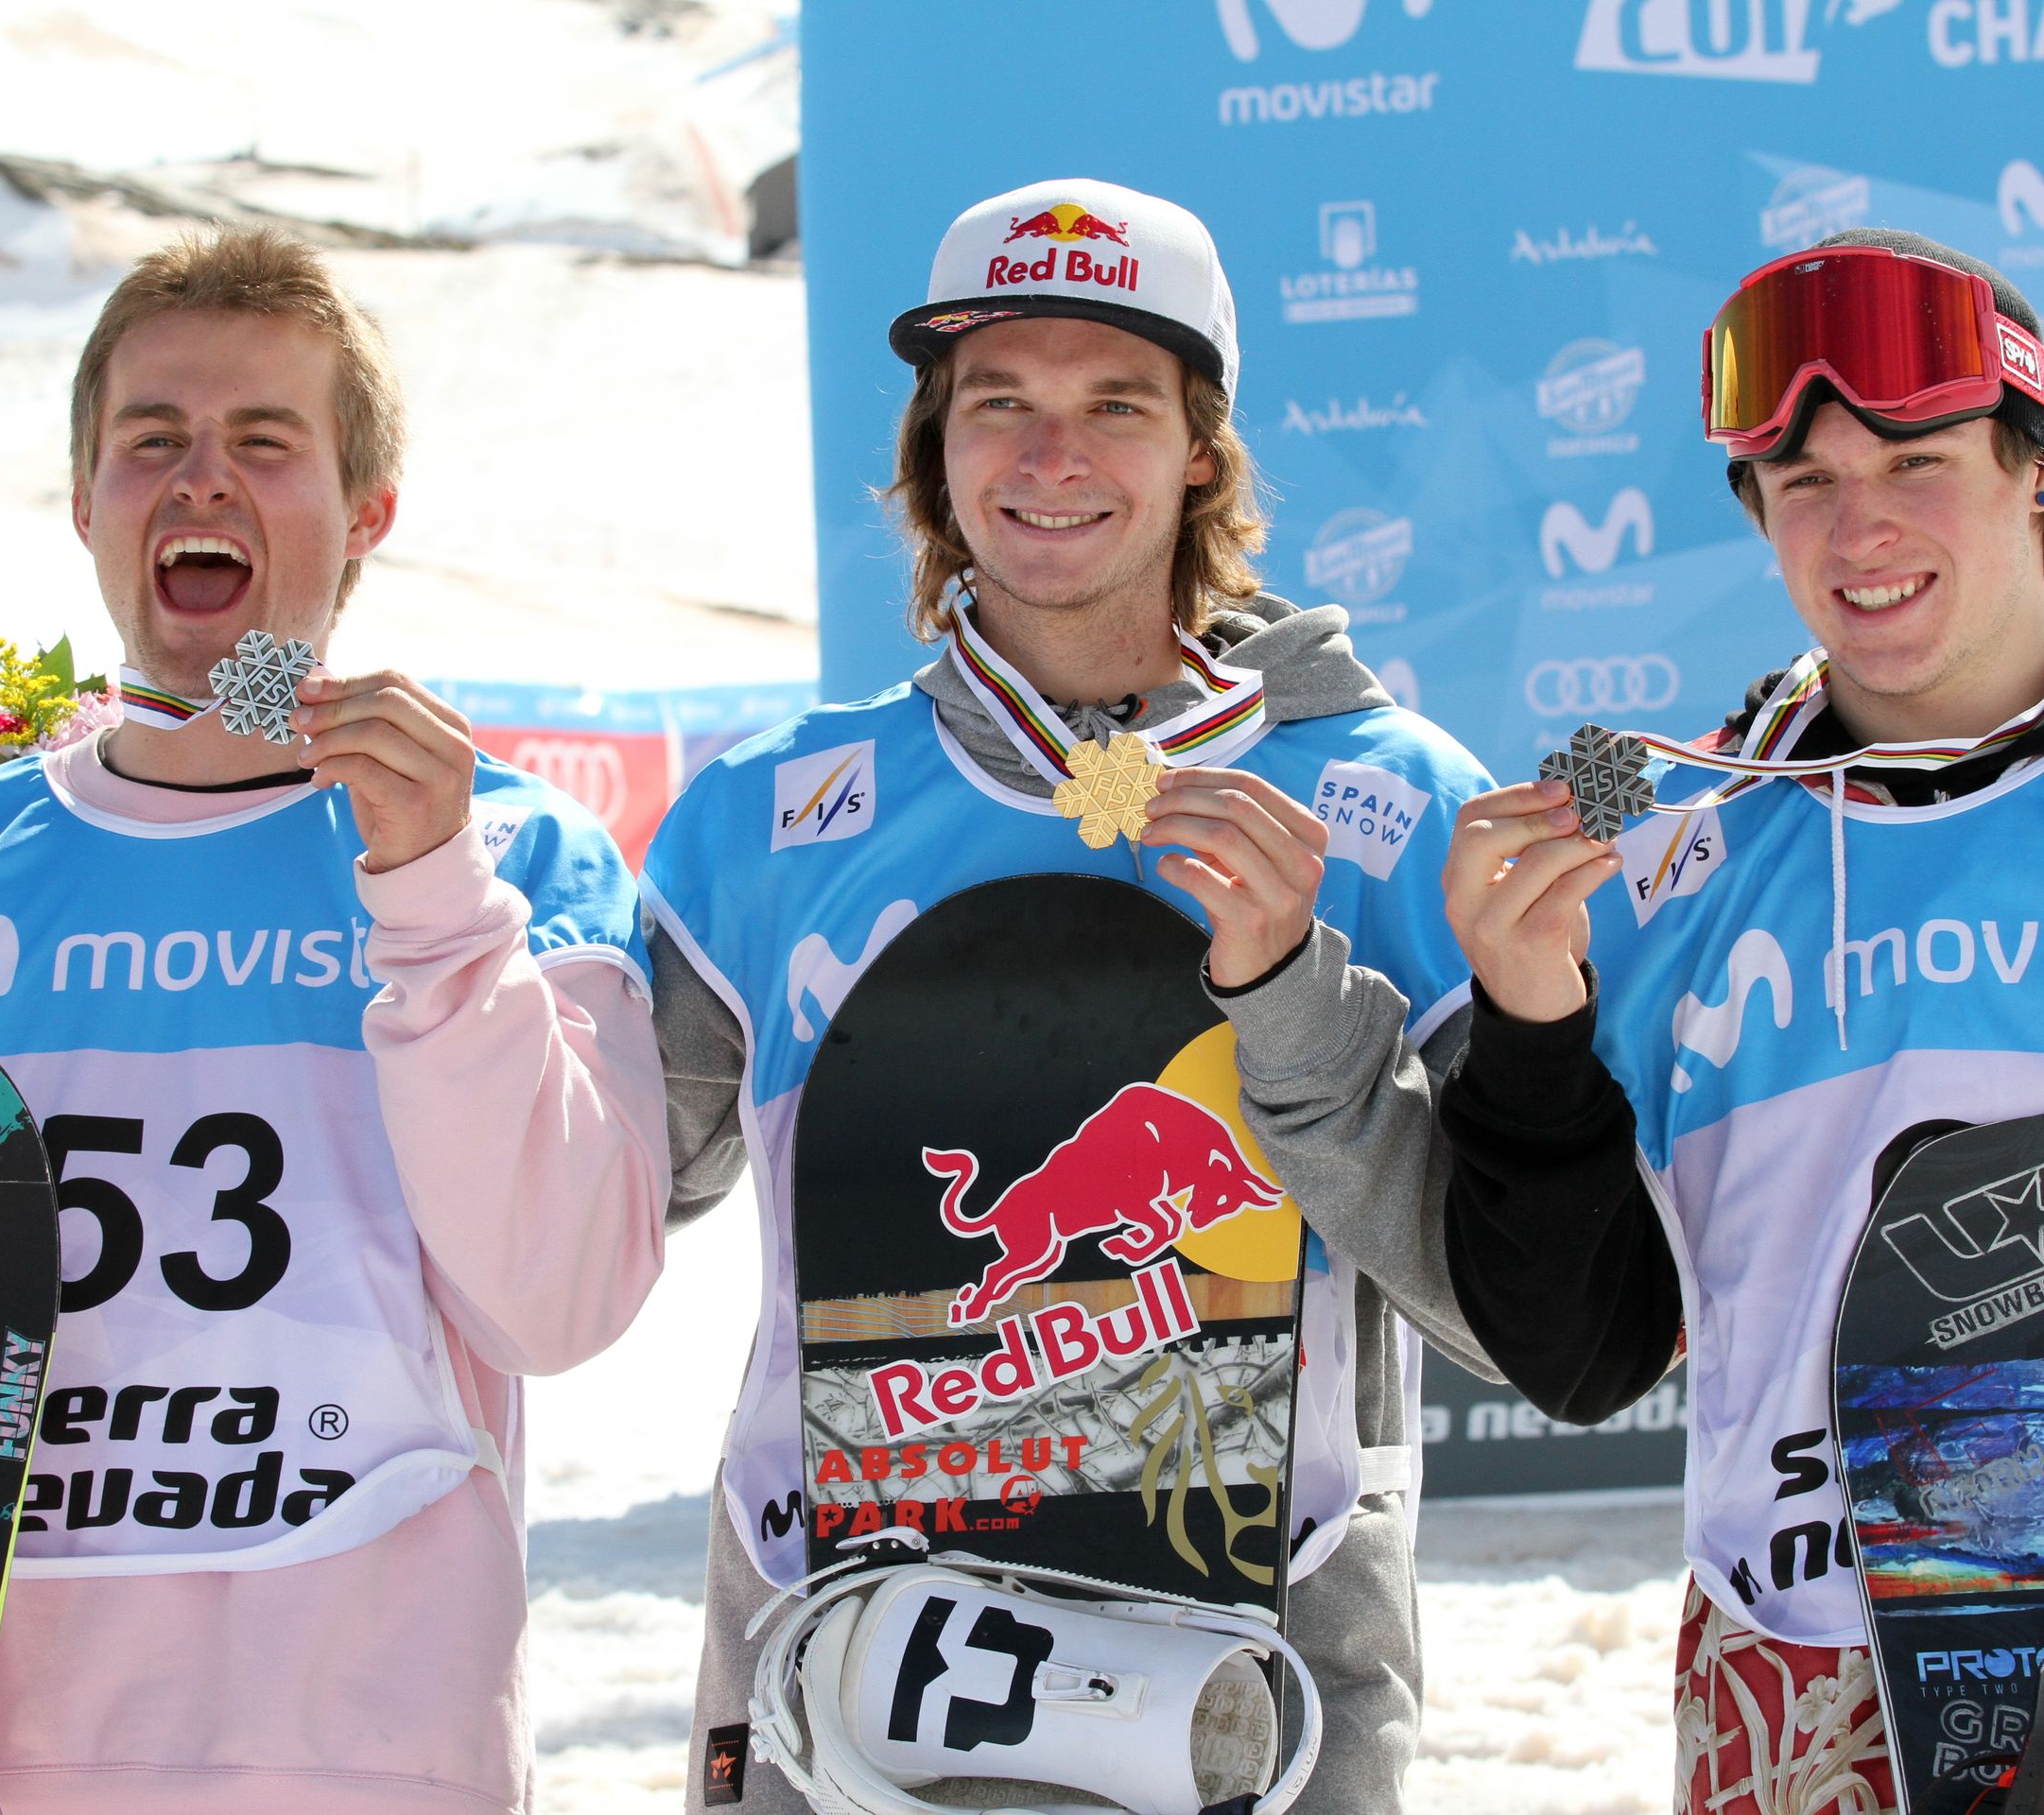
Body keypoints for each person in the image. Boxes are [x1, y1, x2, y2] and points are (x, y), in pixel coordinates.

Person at [0, 226, 669, 1814]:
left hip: (367, 1761)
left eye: (265, 442)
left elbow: (560, 1301)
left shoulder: (503, 850)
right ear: (87, 499)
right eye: (151, 441)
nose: (200, 480)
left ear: (368, 508)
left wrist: (432, 899)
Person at [642, 178, 1499, 1810]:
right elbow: (593, 1216)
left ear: (1201, 452)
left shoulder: (1383, 796)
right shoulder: (768, 814)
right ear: (934, 452)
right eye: (1000, 405)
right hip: (841, 1658)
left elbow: (1512, 1296)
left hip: (1262, 1664)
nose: (1051, 458)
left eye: (1116, 404)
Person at [1434, 229, 2044, 1810]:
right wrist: (1529, 1027)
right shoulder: (1663, 842)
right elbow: (1580, 1350)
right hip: (1806, 1695)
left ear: (2042, 479)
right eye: (1804, 481)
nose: (1862, 524)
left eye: (1916, 456)